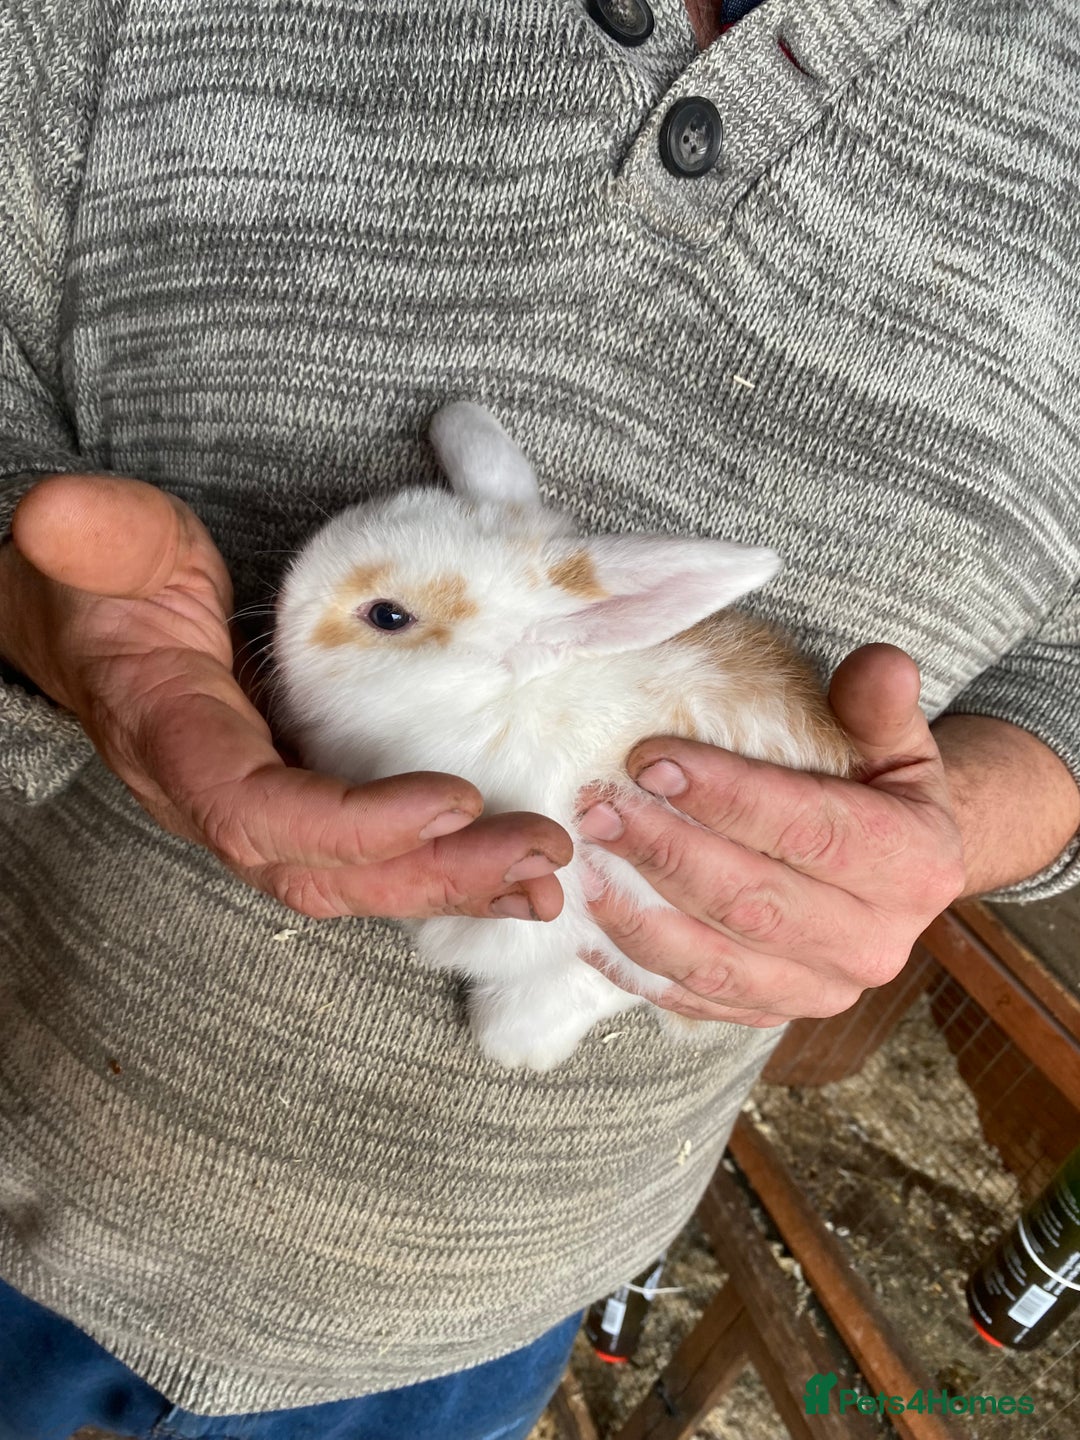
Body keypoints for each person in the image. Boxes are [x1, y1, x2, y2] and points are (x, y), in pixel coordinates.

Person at [1, 0, 1078, 1435]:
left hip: (478, 1310)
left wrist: (936, 828)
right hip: (29, 1172)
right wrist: (39, 601)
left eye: (386, 621)